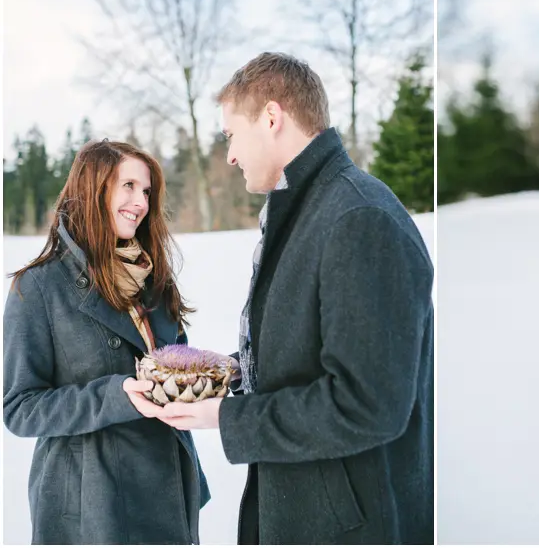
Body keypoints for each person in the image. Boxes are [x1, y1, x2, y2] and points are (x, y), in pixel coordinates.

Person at [152, 52, 435, 545]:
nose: (231, 156)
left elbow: (367, 405)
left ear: (271, 117)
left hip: (349, 526)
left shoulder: (357, 218)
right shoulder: (308, 207)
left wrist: (226, 417)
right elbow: (311, 347)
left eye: (231, 136)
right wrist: (234, 371)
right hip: (304, 508)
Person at [3, 140, 211, 544]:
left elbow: (173, 360)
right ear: (93, 189)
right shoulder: (39, 287)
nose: (141, 202)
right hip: (93, 507)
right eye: (128, 186)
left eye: (147, 191)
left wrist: (208, 376)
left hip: (167, 489)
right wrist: (116, 396)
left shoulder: (153, 277)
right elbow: (20, 408)